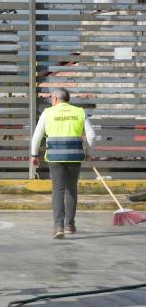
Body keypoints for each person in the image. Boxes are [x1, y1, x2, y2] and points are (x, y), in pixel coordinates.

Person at [31, 87, 96, 238]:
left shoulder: (48, 113)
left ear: (54, 99)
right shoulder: (79, 112)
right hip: (75, 157)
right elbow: (92, 136)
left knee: (58, 190)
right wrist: (88, 153)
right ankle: (69, 225)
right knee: (71, 190)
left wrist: (34, 154)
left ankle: (58, 226)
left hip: (55, 158)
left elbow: (37, 136)